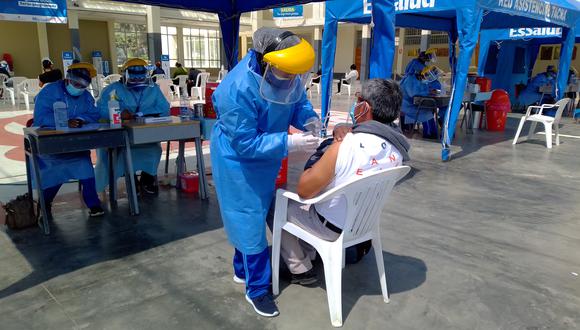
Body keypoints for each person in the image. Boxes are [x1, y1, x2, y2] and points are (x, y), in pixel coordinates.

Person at [210, 27, 321, 317]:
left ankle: (241, 270)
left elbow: (298, 102)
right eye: (286, 73)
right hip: (237, 160)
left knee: (253, 214)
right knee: (247, 221)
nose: (291, 79)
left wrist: (308, 120)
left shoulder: (286, 72)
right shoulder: (235, 90)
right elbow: (245, 144)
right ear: (265, 61)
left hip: (269, 154)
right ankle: (257, 290)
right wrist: (290, 141)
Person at [274, 79, 410, 283]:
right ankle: (311, 252)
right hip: (363, 225)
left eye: (359, 100)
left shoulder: (345, 146)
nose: (356, 104)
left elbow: (304, 190)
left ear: (364, 106)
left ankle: (300, 268)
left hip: (330, 228)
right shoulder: (397, 150)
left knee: (275, 203)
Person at [32, 62, 104, 219]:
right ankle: (44, 203)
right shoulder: (49, 92)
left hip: (76, 145)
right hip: (52, 148)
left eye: (83, 85)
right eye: (76, 83)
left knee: (85, 166)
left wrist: (80, 119)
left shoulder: (85, 95)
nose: (79, 87)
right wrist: (64, 121)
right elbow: (40, 117)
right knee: (55, 173)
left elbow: (94, 114)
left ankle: (93, 204)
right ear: (67, 79)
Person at [95, 58, 170, 195]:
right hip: (121, 136)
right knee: (125, 153)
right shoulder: (113, 90)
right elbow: (99, 109)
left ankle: (147, 179)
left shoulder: (152, 88)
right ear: (125, 75)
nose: (137, 83)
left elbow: (164, 108)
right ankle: (131, 178)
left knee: (154, 150)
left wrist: (143, 113)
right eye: (133, 79)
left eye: (140, 79)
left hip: (145, 135)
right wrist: (119, 112)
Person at [400, 65, 443, 139]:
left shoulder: (418, 80)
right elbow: (412, 93)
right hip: (407, 105)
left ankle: (431, 132)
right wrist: (427, 92)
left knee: (428, 111)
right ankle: (428, 133)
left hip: (413, 103)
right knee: (426, 113)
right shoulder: (409, 80)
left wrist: (429, 91)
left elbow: (422, 89)